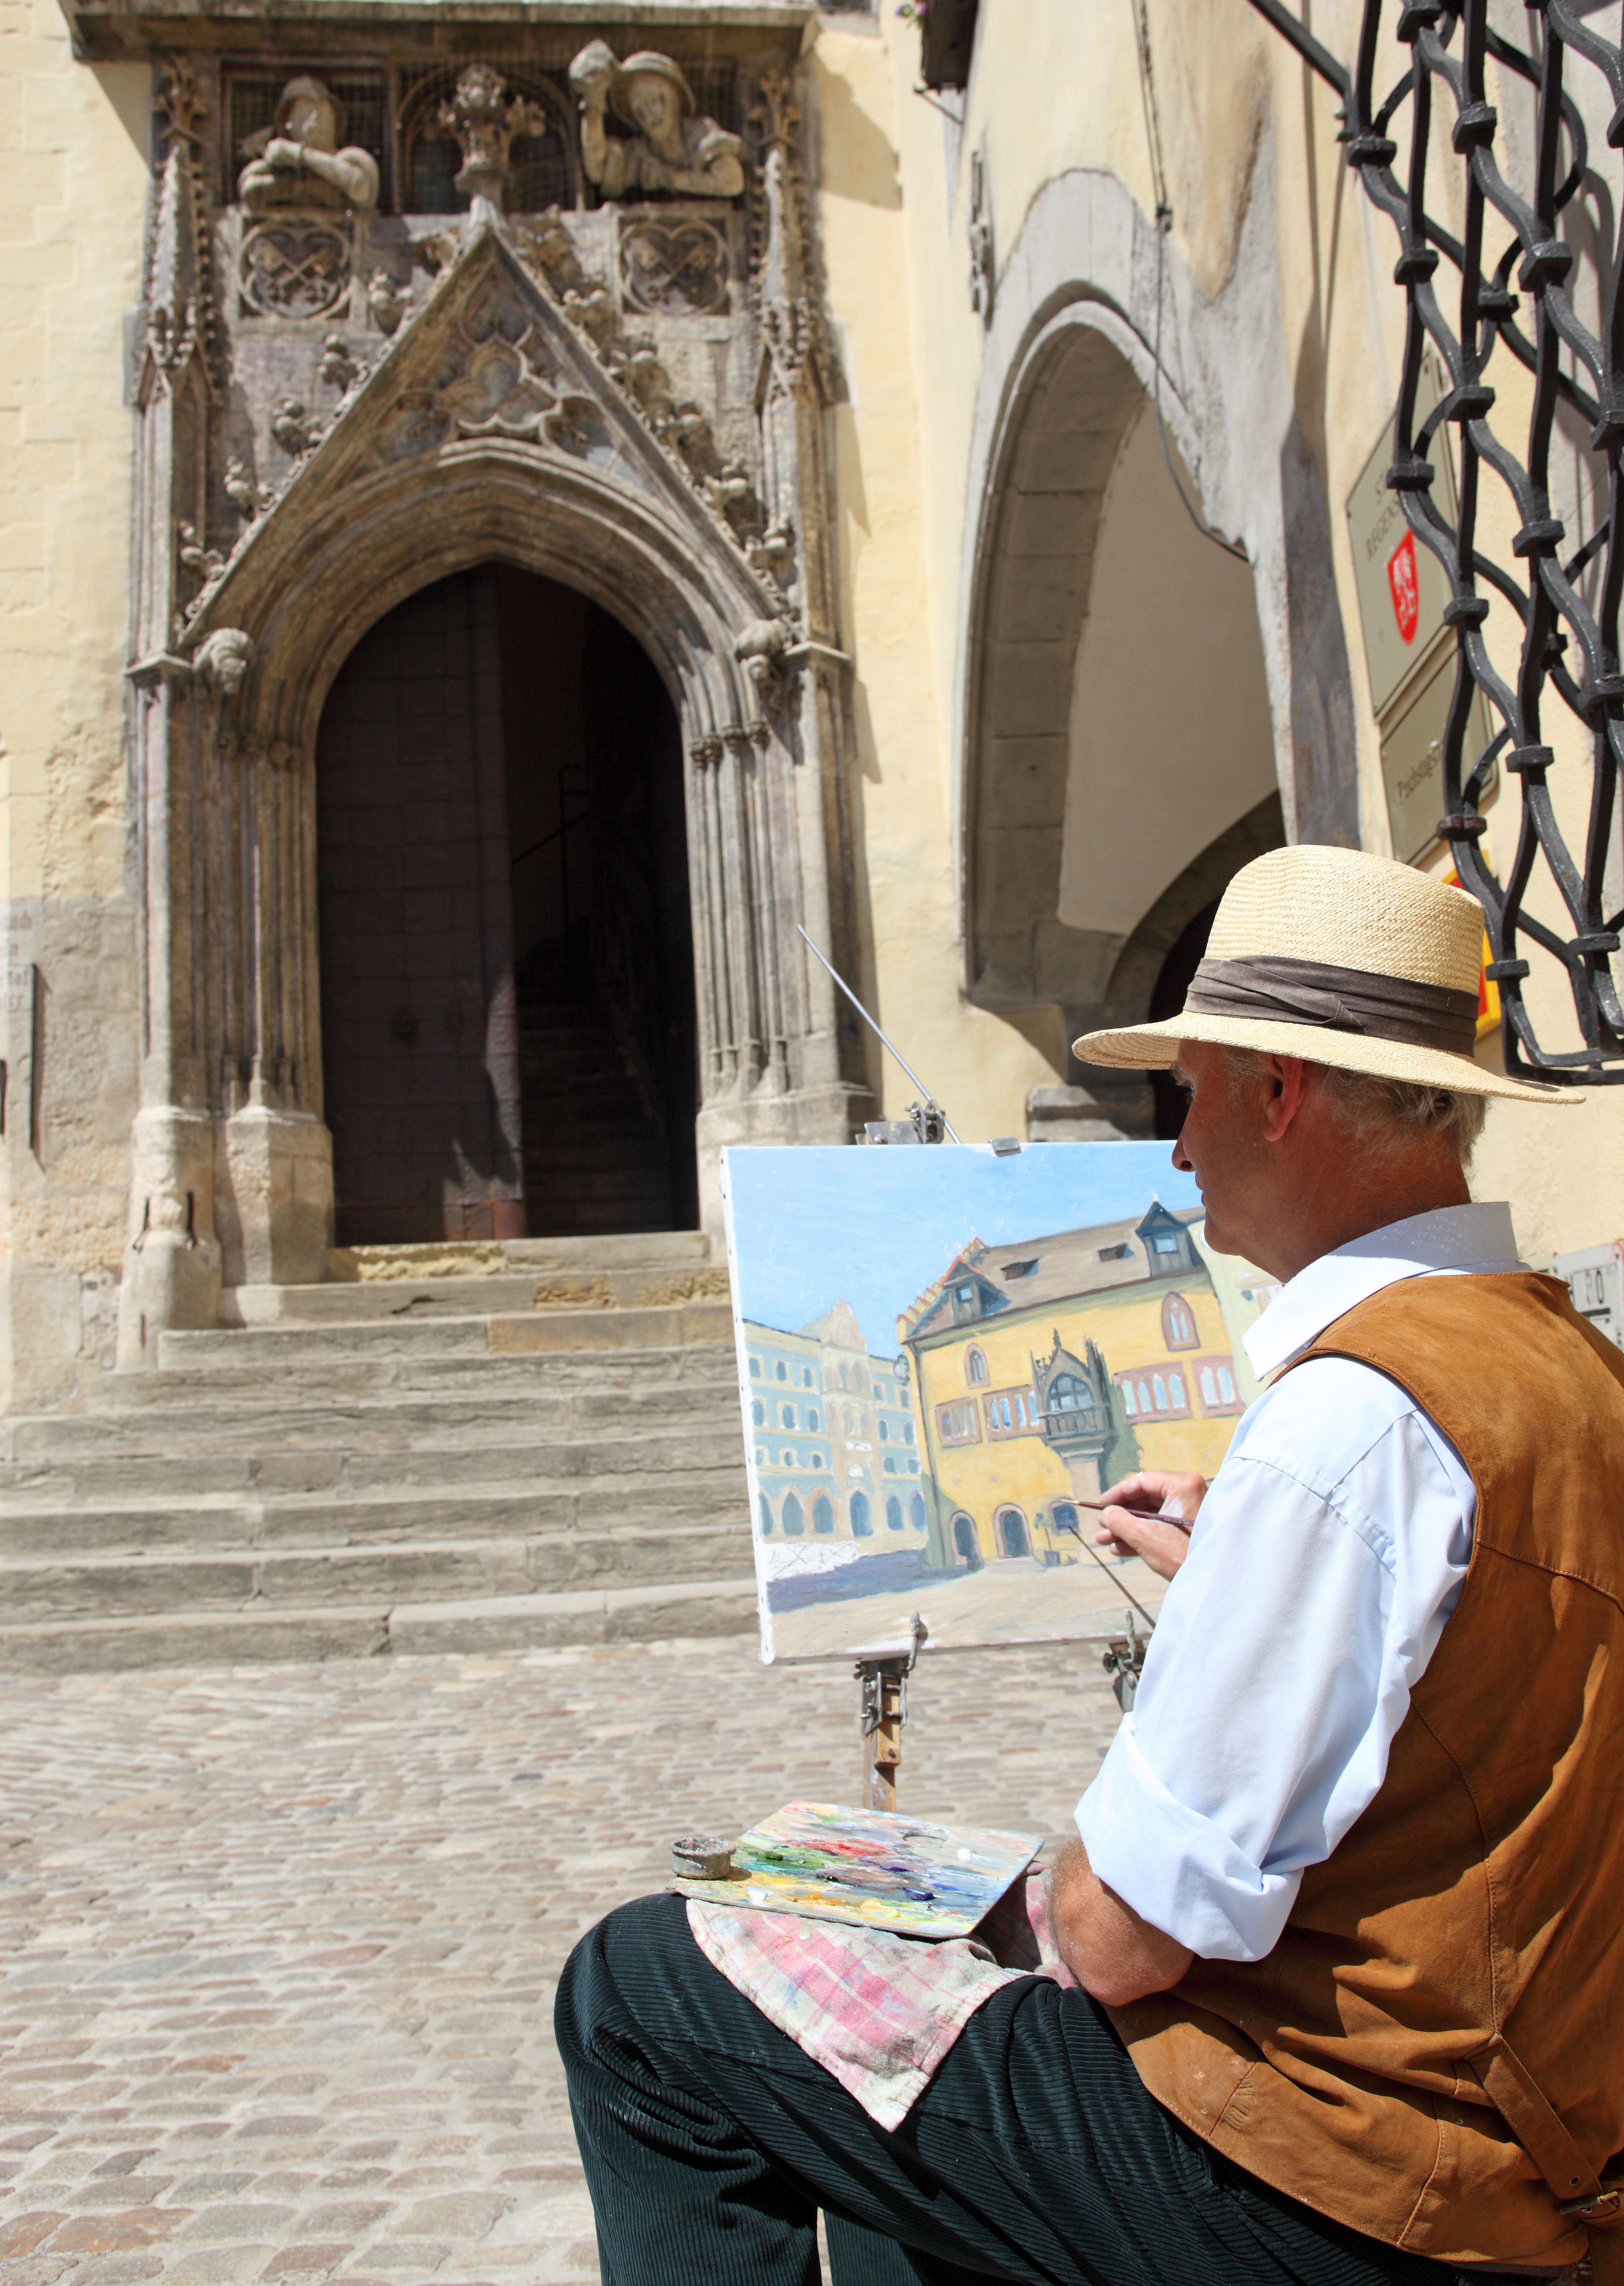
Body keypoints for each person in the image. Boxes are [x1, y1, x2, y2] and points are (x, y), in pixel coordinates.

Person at [556, 846, 1624, 2286]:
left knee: (640, 1987)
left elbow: (1127, 1939)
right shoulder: (1564, 1361)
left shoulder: (1343, 1420)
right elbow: (1469, 1696)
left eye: (1188, 1092)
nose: (1175, 1148)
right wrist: (1229, 1569)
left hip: (1345, 2178)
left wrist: (982, 1896)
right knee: (894, 2141)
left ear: (1274, 1092)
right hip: (1531, 2144)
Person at [568, 40, 744, 200]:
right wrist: (594, 102)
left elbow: (732, 183)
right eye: (640, 110)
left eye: (655, 102)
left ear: (675, 99)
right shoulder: (640, 152)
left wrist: (667, 177)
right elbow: (598, 171)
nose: (649, 115)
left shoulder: (701, 132)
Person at [236, 77, 380, 215]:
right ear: (288, 123)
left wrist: (301, 155)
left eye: (324, 113)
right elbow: (250, 188)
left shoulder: (349, 159)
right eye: (306, 112)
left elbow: (361, 187)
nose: (316, 120)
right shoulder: (279, 166)